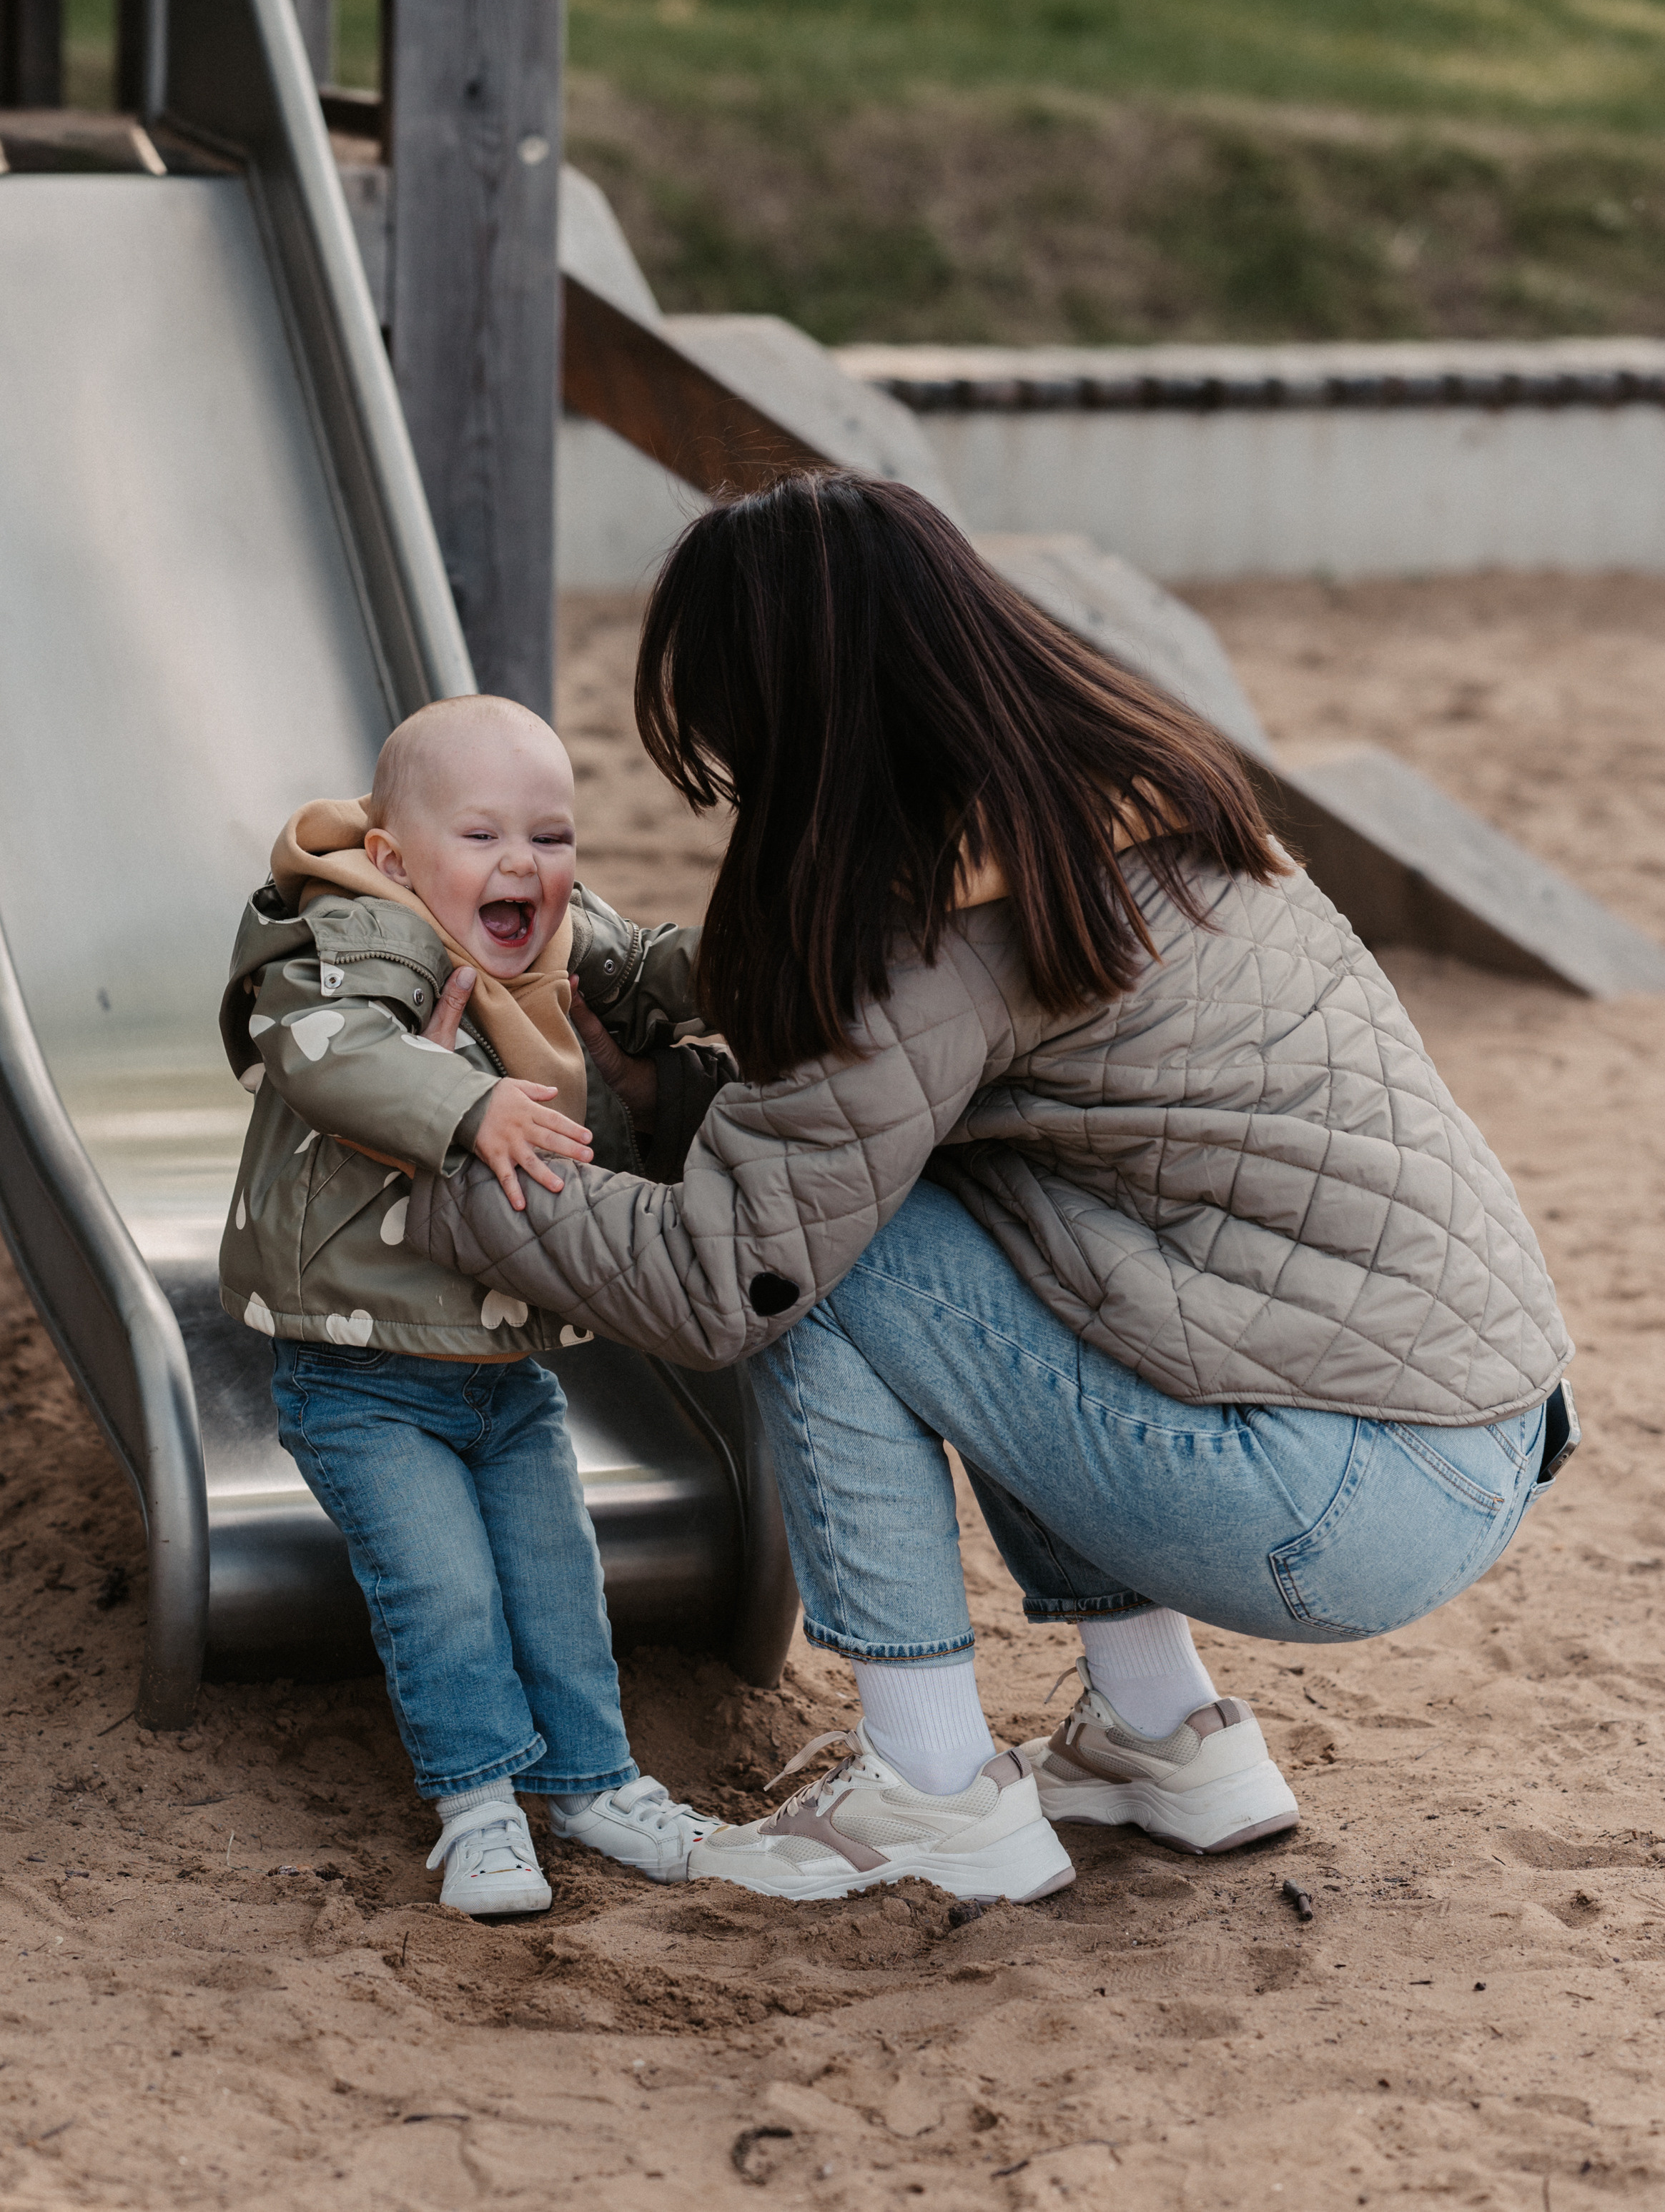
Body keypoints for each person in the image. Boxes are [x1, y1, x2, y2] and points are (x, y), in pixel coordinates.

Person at [407, 477, 1576, 1910]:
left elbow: (729, 1273)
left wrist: (445, 1156)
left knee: (843, 1265)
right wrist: (664, 1098)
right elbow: (882, 1115)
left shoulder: (935, 923)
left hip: (1334, 1498)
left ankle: (932, 1782)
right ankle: (1162, 1733)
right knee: (955, 1221)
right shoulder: (1122, 800)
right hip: (1468, 1432)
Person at [217, 695, 726, 1917]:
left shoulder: (556, 937)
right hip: (361, 1374)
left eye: (550, 838)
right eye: (484, 836)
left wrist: (758, 963)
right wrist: (463, 1101)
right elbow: (329, 1051)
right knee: (441, 1592)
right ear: (393, 860)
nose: (523, 866)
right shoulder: (350, 936)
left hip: (503, 1371)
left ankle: (594, 1785)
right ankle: (478, 1807)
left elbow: (649, 973)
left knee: (559, 1583)